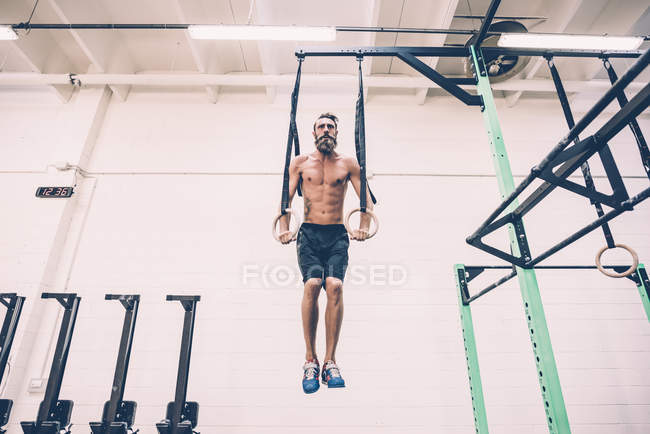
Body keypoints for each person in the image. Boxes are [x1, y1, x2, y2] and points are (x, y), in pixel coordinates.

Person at [278, 112, 373, 394]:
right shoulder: (300, 163)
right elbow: (285, 198)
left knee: (335, 286)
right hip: (308, 234)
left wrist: (363, 226)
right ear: (314, 133)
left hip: (336, 235)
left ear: (336, 132)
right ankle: (310, 359)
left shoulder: (348, 163)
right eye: (321, 126)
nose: (326, 130)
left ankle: (331, 361)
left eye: (331, 126)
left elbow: (365, 198)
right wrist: (284, 227)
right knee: (312, 284)